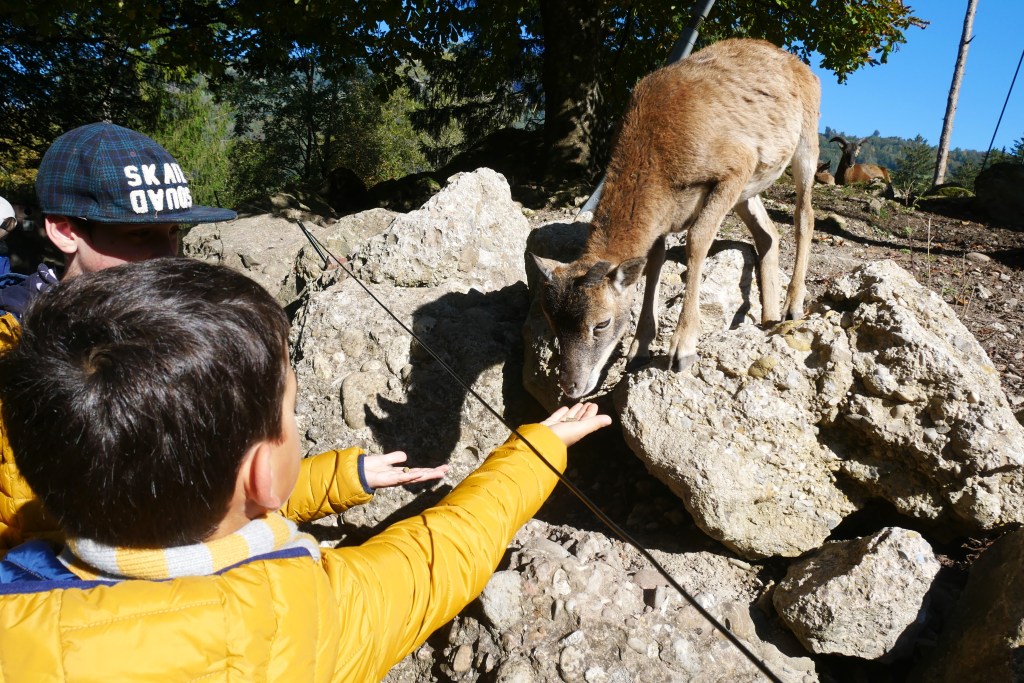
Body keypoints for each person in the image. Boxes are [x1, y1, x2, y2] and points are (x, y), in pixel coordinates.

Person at [0, 258, 610, 680]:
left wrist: (343, 479)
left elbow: (192, 495)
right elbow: (436, 560)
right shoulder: (298, 621)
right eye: (290, 410)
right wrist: (539, 449)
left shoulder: (23, 566)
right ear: (263, 472)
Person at [0, 123, 443, 549]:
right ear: (64, 230)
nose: (169, 257)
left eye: (174, 233)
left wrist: (345, 478)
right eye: (140, 234)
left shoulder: (161, 330)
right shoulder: (13, 353)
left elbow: (198, 499)